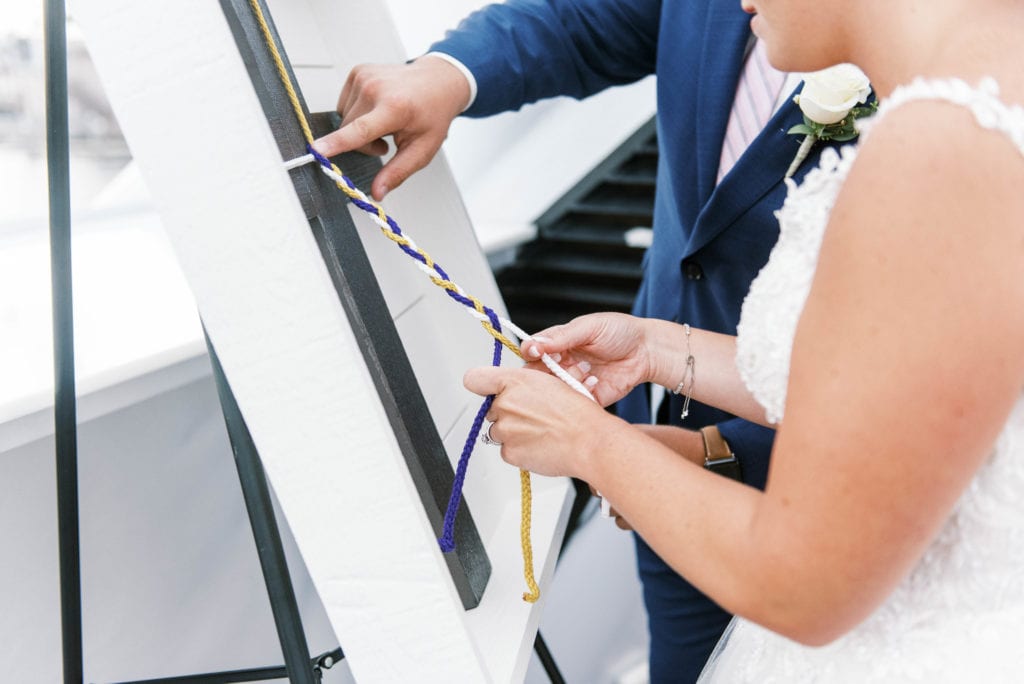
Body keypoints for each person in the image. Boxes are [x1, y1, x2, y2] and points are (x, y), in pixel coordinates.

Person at [461, 0, 1024, 679]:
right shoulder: (992, 88)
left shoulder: (937, 152)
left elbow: (804, 583)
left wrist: (588, 441)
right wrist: (656, 351)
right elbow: (918, 383)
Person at [312, 1, 853, 678]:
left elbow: (907, 408)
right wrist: (446, 75)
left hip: (839, 526)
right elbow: (588, 19)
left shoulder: (950, 130)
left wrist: (618, 448)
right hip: (669, 444)